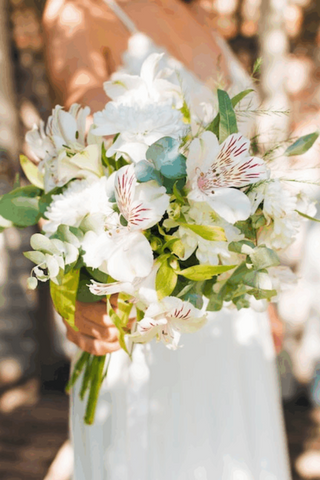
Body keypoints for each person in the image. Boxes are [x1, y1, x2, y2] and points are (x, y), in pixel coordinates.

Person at [42, 1, 292, 479]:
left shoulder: (198, 15)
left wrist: (265, 282)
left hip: (233, 302)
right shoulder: (79, 10)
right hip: (144, 295)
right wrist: (76, 280)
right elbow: (75, 161)